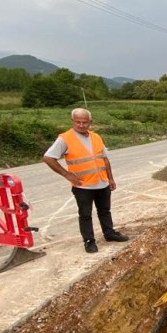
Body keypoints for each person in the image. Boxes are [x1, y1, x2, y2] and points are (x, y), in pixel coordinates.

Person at [43, 108, 129, 253]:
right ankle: (89, 241)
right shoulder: (65, 138)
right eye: (78, 122)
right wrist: (67, 174)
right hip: (83, 186)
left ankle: (109, 233)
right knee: (85, 215)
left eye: (84, 122)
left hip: (102, 183)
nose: (81, 125)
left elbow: (104, 159)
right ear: (73, 121)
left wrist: (110, 178)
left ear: (90, 122)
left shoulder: (96, 137)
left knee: (105, 211)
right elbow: (48, 158)